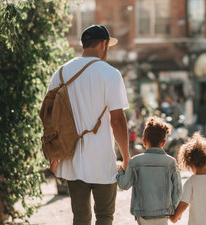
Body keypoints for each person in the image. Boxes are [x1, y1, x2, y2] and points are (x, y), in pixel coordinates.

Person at [46, 25, 130, 225]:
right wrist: (126, 157)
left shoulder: (60, 73)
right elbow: (117, 120)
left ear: (83, 45)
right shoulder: (110, 74)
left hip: (71, 157)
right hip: (102, 160)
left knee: (80, 218)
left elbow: (50, 118)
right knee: (104, 216)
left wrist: (54, 155)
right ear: (103, 44)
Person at [117, 116, 182, 225]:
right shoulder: (171, 162)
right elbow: (178, 190)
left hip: (143, 214)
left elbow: (124, 185)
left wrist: (120, 171)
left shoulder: (135, 161)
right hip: (164, 212)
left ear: (144, 141)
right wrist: (173, 209)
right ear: (163, 142)